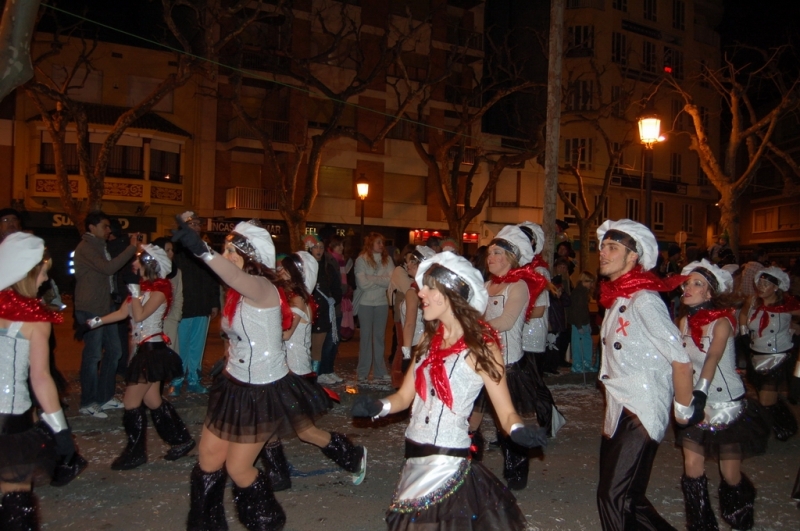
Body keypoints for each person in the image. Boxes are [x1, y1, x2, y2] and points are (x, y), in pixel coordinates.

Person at [172, 217, 366, 530]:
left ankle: (267, 522)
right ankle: (206, 524)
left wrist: (203, 250)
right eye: (226, 249)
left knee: (238, 468)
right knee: (208, 459)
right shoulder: (236, 292)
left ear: (253, 258)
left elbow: (232, 274)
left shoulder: (262, 287)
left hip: (261, 390)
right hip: (233, 386)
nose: (229, 255)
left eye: (235, 251)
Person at [351, 251, 547, 530]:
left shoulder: (482, 347)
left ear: (452, 293)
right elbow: (405, 397)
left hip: (447, 461)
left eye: (430, 288)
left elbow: (506, 413)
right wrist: (378, 406)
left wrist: (518, 431)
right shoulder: (427, 340)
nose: (422, 294)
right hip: (413, 457)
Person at [594, 219, 699, 530]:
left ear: (633, 257)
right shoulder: (620, 299)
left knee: (612, 496)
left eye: (613, 247)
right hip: (619, 406)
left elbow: (681, 360)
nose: (603, 253)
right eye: (603, 246)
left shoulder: (645, 300)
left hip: (640, 407)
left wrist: (682, 411)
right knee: (630, 498)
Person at [675, 259, 769, 531]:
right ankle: (701, 524)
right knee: (692, 466)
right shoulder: (683, 322)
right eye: (687, 283)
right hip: (696, 403)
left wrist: (701, 392)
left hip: (726, 405)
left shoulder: (722, 323)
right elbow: (680, 362)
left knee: (730, 474)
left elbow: (712, 359)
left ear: (710, 293)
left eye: (697, 283)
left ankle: (741, 510)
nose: (688, 288)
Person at [86, 244, 196, 470]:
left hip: (152, 352)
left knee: (130, 402)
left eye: (138, 260)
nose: (134, 264)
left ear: (150, 265)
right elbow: (122, 313)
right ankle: (182, 440)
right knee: (152, 400)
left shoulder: (158, 293)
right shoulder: (144, 290)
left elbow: (139, 314)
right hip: (145, 351)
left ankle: (135, 453)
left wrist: (135, 293)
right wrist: (95, 322)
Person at [0, 232, 81, 528]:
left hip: (13, 416)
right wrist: (61, 432)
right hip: (10, 423)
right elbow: (41, 378)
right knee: (16, 502)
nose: (46, 278)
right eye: (43, 270)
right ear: (26, 272)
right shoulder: (34, 320)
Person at [471, 224, 549, 491]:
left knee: (508, 424)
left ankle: (516, 471)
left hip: (508, 366)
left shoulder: (519, 287)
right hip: (481, 362)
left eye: (496, 252)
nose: (490, 257)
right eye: (489, 252)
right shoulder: (486, 285)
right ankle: (468, 465)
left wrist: (472, 326)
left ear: (511, 257)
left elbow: (505, 321)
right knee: (471, 419)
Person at [74, 210, 138, 418]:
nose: (108, 230)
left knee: (115, 351)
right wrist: (131, 249)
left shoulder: (100, 246)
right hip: (91, 306)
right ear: (92, 227)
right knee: (93, 356)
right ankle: (88, 402)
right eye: (105, 226)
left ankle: (104, 397)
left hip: (105, 305)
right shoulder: (86, 247)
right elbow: (108, 268)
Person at [741, 266, 800, 441]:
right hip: (756, 355)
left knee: (766, 401)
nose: (761, 286)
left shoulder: (788, 305)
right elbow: (743, 315)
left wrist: (795, 329)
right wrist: (744, 332)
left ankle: (760, 435)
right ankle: (785, 423)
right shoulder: (752, 301)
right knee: (765, 398)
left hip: (778, 358)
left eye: (766, 284)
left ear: (776, 287)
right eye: (760, 282)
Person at [169, 211, 220, 396]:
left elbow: (214, 278)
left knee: (196, 347)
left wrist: (214, 303)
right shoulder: (177, 250)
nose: (197, 228)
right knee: (180, 346)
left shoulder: (205, 250)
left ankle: (194, 379)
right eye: (192, 225)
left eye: (199, 225)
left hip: (202, 306)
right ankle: (177, 379)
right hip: (183, 307)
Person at [392, 245, 435, 388]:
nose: (407, 265)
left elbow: (410, 324)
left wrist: (406, 353)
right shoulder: (430, 288)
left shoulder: (414, 292)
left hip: (416, 345)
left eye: (412, 262)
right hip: (427, 343)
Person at [354, 232, 393, 383]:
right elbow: (361, 284)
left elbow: (390, 281)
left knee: (379, 338)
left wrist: (371, 278)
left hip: (382, 303)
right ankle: (362, 372)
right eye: (378, 242)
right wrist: (380, 280)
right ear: (370, 244)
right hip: (365, 304)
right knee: (365, 338)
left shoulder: (387, 259)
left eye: (382, 243)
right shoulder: (361, 260)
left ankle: (379, 371)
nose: (381, 245)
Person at [306, 235, 341, 383]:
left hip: (326, 311)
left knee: (325, 344)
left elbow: (337, 288)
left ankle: (321, 371)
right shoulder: (306, 266)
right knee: (312, 345)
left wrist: (334, 299)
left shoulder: (328, 267)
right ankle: (314, 374)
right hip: (311, 311)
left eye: (321, 247)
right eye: (315, 247)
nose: (318, 250)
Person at [152, 237, 183, 351]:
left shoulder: (176, 272)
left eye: (172, 250)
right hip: (153, 320)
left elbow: (178, 296)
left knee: (170, 352)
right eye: (167, 250)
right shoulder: (151, 272)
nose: (171, 253)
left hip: (170, 320)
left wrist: (175, 317)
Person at [568, 271, 597, 373]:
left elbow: (585, 310)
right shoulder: (578, 293)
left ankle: (586, 363)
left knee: (587, 343)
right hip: (578, 323)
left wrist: (588, 323)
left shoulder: (584, 293)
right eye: (589, 282)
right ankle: (577, 364)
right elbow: (576, 311)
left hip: (584, 322)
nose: (591, 285)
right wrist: (579, 325)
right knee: (578, 344)